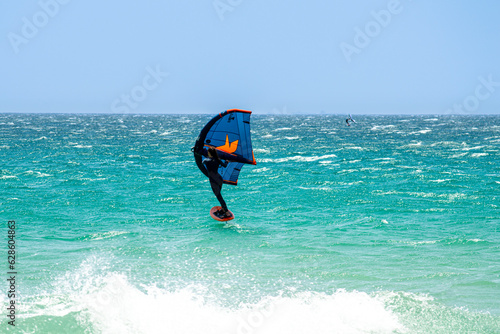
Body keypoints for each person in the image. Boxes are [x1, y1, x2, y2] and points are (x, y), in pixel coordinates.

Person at [203, 147, 231, 218]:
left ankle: (226, 211)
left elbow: (202, 163)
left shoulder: (206, 160)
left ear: (209, 153)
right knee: (219, 195)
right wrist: (226, 161)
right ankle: (223, 209)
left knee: (219, 196)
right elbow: (224, 165)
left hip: (213, 180)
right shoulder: (217, 160)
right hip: (219, 179)